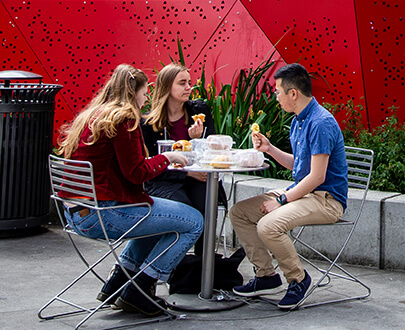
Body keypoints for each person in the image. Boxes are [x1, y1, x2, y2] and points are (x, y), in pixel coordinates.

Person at [57, 64, 204, 317]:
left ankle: (118, 282)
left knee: (158, 218)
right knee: (193, 221)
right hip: (103, 213)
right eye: (144, 92)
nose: (146, 97)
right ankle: (142, 287)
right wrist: (167, 157)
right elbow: (136, 173)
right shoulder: (124, 119)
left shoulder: (93, 115)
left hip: (77, 212)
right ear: (133, 92)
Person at [230, 63, 348, 309]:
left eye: (277, 91)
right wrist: (269, 149)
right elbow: (300, 166)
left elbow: (316, 177)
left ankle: (298, 279)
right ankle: (266, 276)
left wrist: (281, 200)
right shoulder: (299, 121)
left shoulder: (320, 122)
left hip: (326, 200)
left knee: (268, 225)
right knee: (239, 212)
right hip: (305, 193)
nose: (276, 97)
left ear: (293, 93)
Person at [141, 63, 225, 257]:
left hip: (196, 177)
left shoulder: (199, 111)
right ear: (167, 87)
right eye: (182, 83)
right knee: (184, 211)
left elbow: (211, 150)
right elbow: (151, 166)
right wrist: (187, 171)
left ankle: (204, 265)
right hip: (165, 181)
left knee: (207, 200)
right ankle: (170, 264)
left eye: (189, 82)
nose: (189, 87)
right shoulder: (147, 123)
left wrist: (196, 141)